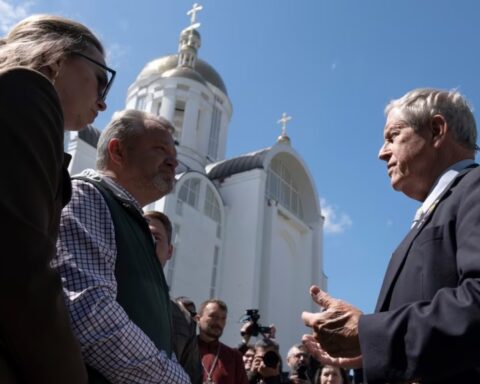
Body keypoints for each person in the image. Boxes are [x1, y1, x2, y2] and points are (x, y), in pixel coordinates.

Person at [302, 88, 480, 383]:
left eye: (392, 136)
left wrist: (370, 333)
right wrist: (372, 351)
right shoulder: (432, 213)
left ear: (436, 130)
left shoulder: (473, 188)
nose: (381, 152)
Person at [0, 14, 112, 383]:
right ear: (58, 56)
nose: (103, 104)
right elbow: (21, 265)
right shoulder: (27, 90)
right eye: (101, 81)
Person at [53, 109, 189, 383]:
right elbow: (88, 313)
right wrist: (173, 378)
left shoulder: (132, 221)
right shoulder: (88, 196)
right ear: (118, 151)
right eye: (161, 149)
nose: (173, 163)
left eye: (174, 155)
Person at [144, 210, 202, 384]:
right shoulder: (103, 292)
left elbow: (193, 377)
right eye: (139, 235)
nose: (147, 242)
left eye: (155, 237)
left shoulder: (183, 318)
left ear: (169, 251)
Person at [196, 299, 249, 384]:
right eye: (213, 316)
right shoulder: (185, 350)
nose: (218, 322)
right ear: (198, 319)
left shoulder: (234, 357)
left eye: (223, 318)